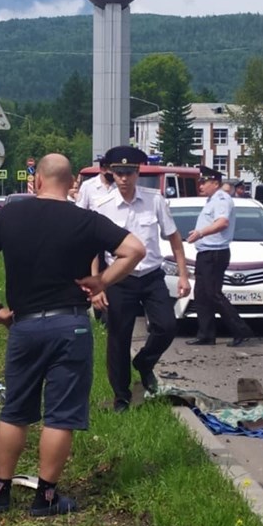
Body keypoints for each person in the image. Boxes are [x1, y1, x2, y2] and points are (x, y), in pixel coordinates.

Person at [0, 154, 145, 516]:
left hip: (24, 325)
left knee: (15, 409)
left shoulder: (11, 215)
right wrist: (102, 282)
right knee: (60, 415)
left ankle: (0, 492)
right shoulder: (86, 220)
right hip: (70, 325)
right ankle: (45, 497)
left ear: (37, 182)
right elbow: (135, 250)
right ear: (71, 183)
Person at [88, 146, 190, 412]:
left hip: (151, 275)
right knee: (118, 339)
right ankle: (121, 398)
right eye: (119, 173)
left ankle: (144, 362)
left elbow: (174, 238)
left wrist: (183, 275)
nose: (124, 178)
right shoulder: (103, 206)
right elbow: (92, 248)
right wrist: (97, 285)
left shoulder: (154, 200)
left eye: (129, 172)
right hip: (119, 280)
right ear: (111, 173)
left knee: (167, 326)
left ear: (138, 172)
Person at [185, 166, 254, 347]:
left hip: (215, 252)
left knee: (213, 293)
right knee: (201, 294)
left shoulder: (221, 199)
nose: (200, 186)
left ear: (215, 183)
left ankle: (240, 330)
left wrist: (200, 233)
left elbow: (222, 223)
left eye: (204, 182)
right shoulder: (212, 200)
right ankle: (206, 334)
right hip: (205, 252)